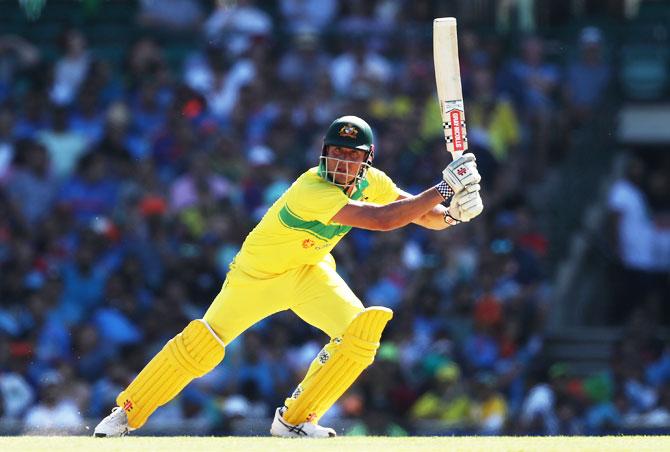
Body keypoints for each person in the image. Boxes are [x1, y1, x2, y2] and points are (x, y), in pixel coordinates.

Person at [93, 115, 483, 438]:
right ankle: (127, 412)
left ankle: (295, 420)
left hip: (309, 273)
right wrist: (445, 187)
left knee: (361, 334)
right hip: (255, 277)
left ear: (367, 160)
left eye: (352, 155)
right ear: (323, 155)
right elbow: (382, 220)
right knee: (202, 346)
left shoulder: (373, 182)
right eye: (336, 153)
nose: (343, 163)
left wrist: (454, 212)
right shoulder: (310, 188)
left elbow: (419, 214)